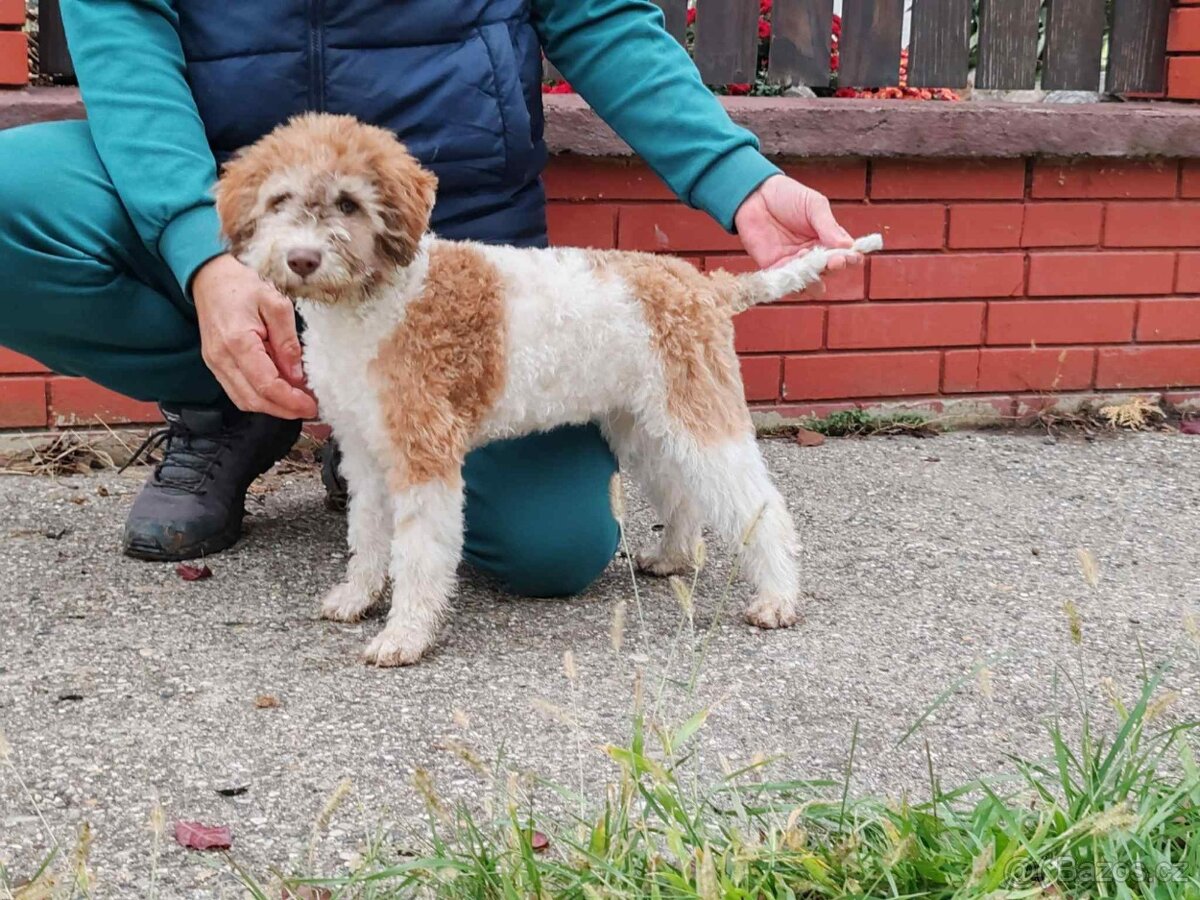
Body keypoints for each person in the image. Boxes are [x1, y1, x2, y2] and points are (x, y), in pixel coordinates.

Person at [0, 0, 855, 598]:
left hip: (447, 229)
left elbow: (599, 14)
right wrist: (201, 251)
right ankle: (232, 407)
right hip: (242, 196)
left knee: (551, 552)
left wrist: (737, 179)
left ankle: (368, 429)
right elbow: (123, 36)